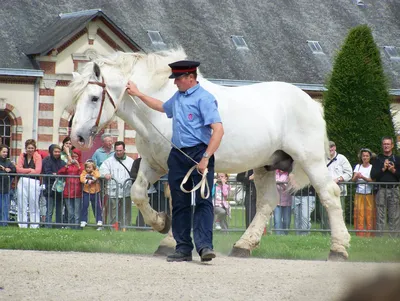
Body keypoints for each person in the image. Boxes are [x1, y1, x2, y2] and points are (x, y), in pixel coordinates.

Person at [126, 60, 224, 262]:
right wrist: (138, 94)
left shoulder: (205, 99)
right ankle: (183, 248)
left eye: (178, 79)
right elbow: (162, 107)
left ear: (190, 77)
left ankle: (205, 246)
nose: (175, 83)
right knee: (179, 203)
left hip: (199, 153)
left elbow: (218, 130)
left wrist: (205, 157)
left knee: (203, 201)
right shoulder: (178, 97)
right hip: (178, 154)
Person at [99, 141, 134, 228]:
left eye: (120, 150)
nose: (118, 152)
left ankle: (125, 227)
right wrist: (105, 174)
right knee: (113, 212)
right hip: (113, 190)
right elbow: (102, 170)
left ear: (124, 150)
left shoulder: (131, 161)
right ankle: (113, 228)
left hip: (126, 190)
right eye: (117, 150)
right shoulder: (109, 161)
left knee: (126, 211)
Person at [370, 137, 400, 237]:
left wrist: (393, 170)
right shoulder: (377, 159)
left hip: (394, 189)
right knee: (380, 214)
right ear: (382, 146)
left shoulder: (397, 159)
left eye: (388, 144)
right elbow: (373, 175)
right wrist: (383, 169)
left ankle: (393, 237)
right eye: (384, 144)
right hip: (381, 189)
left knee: (394, 214)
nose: (386, 146)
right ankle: (380, 236)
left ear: (392, 146)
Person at [322, 141, 352, 230]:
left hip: (339, 191)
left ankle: (340, 232)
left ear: (335, 147)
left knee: (339, 213)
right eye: (328, 147)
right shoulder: (322, 159)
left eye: (332, 147)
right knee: (325, 213)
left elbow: (349, 173)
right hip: (326, 191)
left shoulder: (342, 158)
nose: (330, 149)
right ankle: (325, 234)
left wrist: (338, 179)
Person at [131, 158, 169, 228]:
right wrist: (143, 178)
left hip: (153, 191)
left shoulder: (154, 161)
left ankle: (154, 226)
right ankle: (140, 227)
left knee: (155, 209)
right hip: (142, 191)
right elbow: (132, 173)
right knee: (142, 210)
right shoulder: (137, 162)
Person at [16, 139, 42, 228]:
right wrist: (30, 170)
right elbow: (18, 170)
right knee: (21, 203)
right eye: (28, 148)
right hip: (22, 181)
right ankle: (22, 224)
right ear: (26, 148)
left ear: (35, 148)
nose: (30, 150)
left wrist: (25, 171)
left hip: (34, 181)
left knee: (33, 203)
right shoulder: (22, 156)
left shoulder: (38, 157)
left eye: (32, 148)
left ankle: (34, 224)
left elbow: (38, 171)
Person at [58, 148, 83, 229]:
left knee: (77, 212)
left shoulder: (82, 165)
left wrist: (78, 166)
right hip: (67, 191)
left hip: (77, 191)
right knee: (70, 211)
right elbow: (60, 173)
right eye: (73, 157)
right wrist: (66, 166)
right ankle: (70, 225)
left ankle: (76, 226)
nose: (74, 159)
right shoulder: (69, 165)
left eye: (76, 157)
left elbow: (82, 174)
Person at [41, 144, 66, 228]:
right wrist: (55, 174)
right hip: (49, 188)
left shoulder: (62, 162)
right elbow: (47, 172)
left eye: (59, 152)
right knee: (50, 208)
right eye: (55, 151)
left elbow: (64, 172)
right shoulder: (46, 161)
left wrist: (56, 174)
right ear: (51, 152)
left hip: (59, 188)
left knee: (59, 209)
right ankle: (48, 226)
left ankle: (58, 226)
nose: (57, 153)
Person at [352, 148, 375, 237]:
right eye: (363, 156)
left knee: (369, 214)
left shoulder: (372, 167)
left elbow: (373, 180)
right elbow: (353, 180)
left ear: (370, 157)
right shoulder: (358, 166)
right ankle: (359, 234)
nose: (365, 158)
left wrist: (363, 177)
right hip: (359, 193)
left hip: (369, 193)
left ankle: (369, 234)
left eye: (367, 156)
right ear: (361, 157)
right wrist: (357, 176)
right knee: (359, 214)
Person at [80, 159, 102, 230]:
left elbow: (97, 175)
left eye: (90, 167)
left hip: (95, 192)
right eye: (87, 167)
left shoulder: (95, 171)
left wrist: (93, 177)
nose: (88, 169)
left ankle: (99, 220)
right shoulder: (84, 172)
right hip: (86, 191)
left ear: (93, 167)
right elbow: (81, 178)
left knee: (97, 207)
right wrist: (87, 181)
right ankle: (83, 220)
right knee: (85, 206)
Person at [0, 145, 16, 226]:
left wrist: (9, 169)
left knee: (5, 207)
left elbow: (14, 169)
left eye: (6, 152)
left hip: (5, 188)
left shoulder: (8, 162)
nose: (5, 153)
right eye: (3, 152)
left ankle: (4, 223)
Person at [273, 169, 292, 235]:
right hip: (277, 201)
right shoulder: (275, 173)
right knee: (277, 221)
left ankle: (285, 235)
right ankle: (278, 236)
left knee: (286, 221)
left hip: (287, 202)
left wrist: (280, 184)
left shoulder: (288, 174)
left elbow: (289, 187)